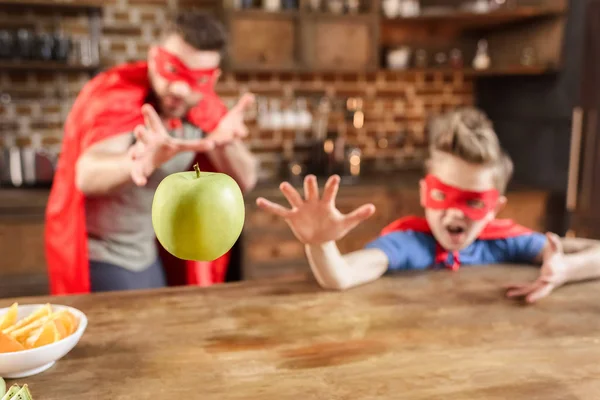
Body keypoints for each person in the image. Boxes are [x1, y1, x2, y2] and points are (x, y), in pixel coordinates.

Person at [256, 107, 600, 303]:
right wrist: (320, 243)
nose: (454, 213)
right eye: (442, 196)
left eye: (473, 201)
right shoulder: (409, 243)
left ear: (495, 207)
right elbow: (341, 276)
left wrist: (564, 269)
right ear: (424, 193)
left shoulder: (502, 241)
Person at [45, 11, 258, 295]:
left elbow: (246, 179)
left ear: (213, 79)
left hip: (149, 255)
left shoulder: (204, 109)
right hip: (104, 257)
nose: (180, 88)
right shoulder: (119, 97)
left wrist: (225, 142)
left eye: (197, 78)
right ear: (153, 56)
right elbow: (86, 174)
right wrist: (136, 163)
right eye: (172, 70)